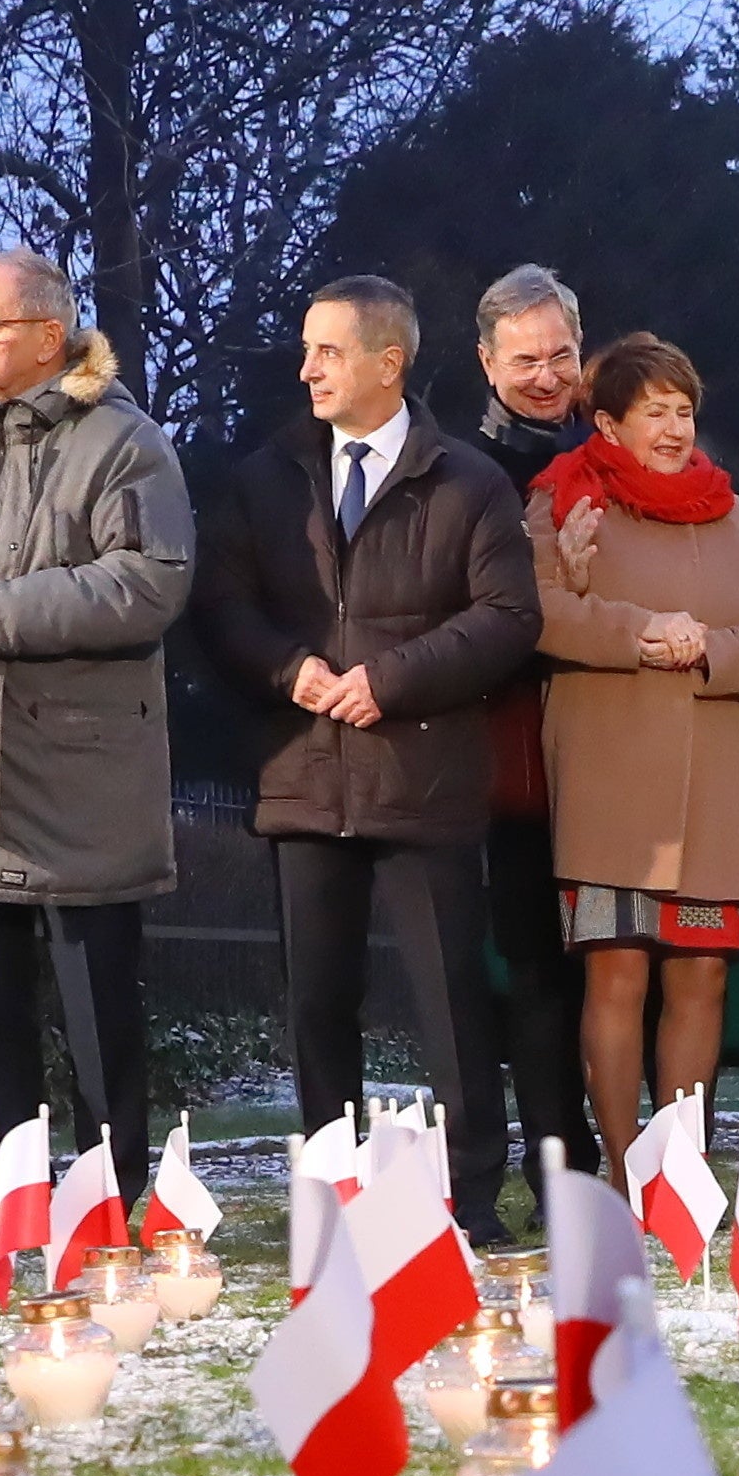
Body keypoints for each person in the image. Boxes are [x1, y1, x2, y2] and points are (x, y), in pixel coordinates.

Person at [196, 272, 540, 1182]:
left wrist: (389, 681)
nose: (306, 369)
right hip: (304, 783)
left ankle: (472, 1194)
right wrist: (288, 668)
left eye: (328, 351)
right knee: (316, 1007)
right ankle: (333, 1192)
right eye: (307, 349)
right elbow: (221, 605)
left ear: (389, 363)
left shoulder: (470, 482)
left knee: (453, 1005)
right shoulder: (263, 479)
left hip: (422, 782)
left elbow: (508, 616)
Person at [0, 247, 197, 1181]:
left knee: (97, 1018)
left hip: (82, 776)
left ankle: (111, 1200)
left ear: (51, 337)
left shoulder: (124, 441)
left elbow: (151, 579)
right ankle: (8, 1201)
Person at [527, 334, 739, 1164]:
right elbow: (535, 611)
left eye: (685, 412)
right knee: (617, 976)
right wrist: (642, 634)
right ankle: (621, 1167)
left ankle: (678, 1171)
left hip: (711, 782)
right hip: (609, 776)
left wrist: (711, 651)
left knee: (702, 976)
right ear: (609, 425)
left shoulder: (732, 513)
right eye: (656, 412)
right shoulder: (564, 499)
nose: (676, 428)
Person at [456, 264, 602, 1200]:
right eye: (524, 360)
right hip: (514, 761)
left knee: (628, 966)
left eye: (559, 356)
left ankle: (644, 1163)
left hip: (615, 747)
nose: (545, 377)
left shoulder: (624, 452)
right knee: (538, 971)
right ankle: (559, 1163)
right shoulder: (463, 474)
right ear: (485, 361)